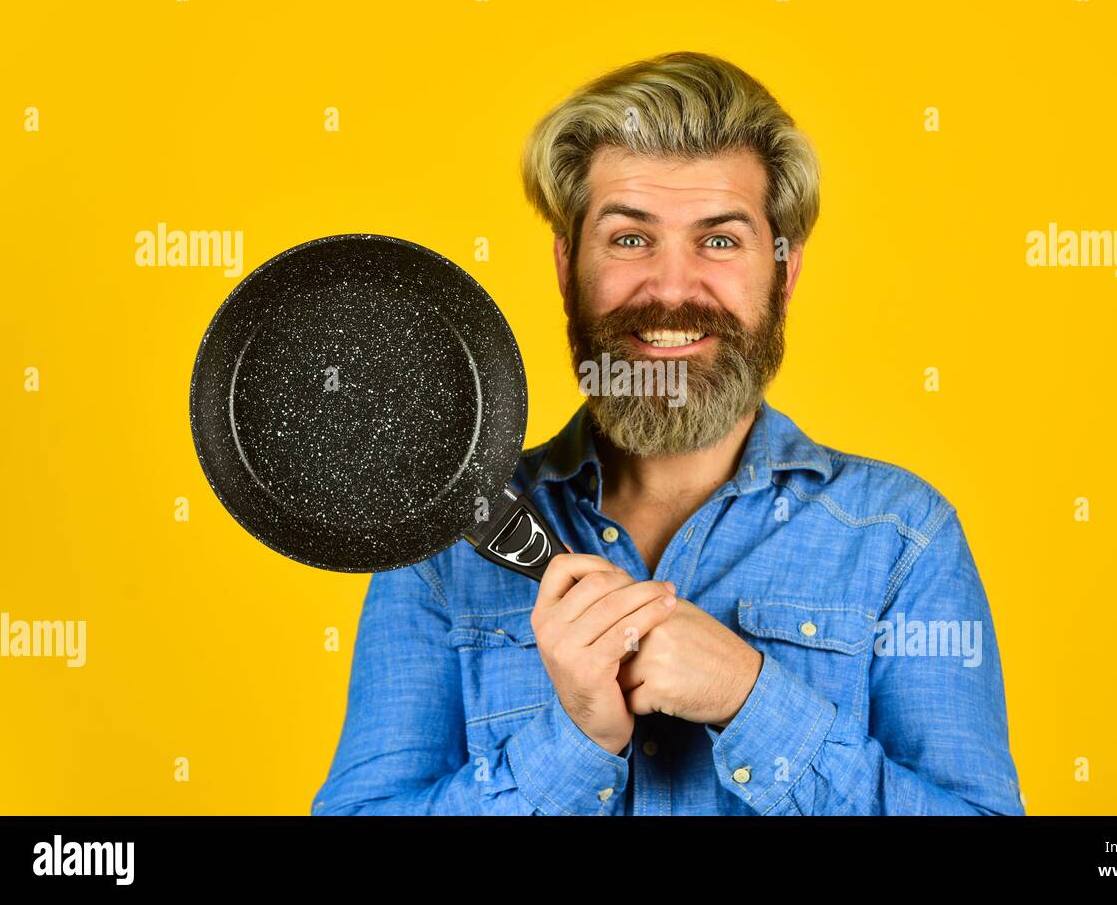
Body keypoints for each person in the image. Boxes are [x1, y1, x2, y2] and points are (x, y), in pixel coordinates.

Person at [312, 51, 1022, 815]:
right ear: (565, 264)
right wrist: (574, 741)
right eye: (628, 239)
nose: (674, 288)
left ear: (783, 272)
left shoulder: (901, 539)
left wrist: (751, 700)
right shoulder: (444, 538)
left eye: (720, 241)